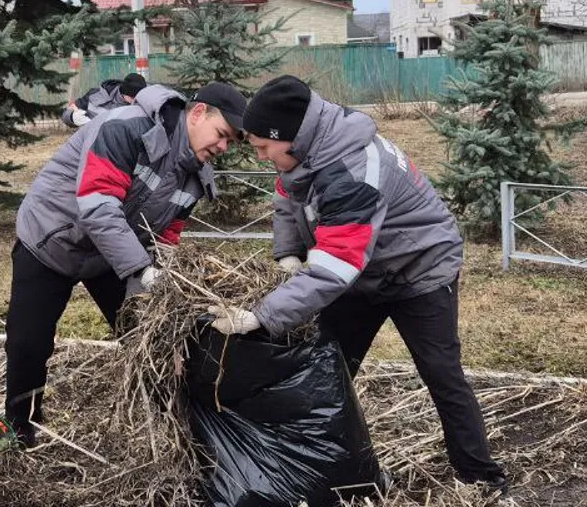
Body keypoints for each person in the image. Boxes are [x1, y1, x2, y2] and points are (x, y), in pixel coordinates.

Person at [207, 75, 509, 497]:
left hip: (418, 269)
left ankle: (479, 475)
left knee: (441, 373)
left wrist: (262, 315)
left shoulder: (352, 171)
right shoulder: (305, 151)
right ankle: (318, 467)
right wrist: (288, 253)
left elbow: (336, 266)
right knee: (327, 367)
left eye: (263, 147)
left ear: (290, 137)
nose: (260, 156)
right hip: (362, 273)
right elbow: (286, 197)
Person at [8, 82, 247, 447]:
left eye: (230, 142)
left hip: (112, 254)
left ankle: (176, 425)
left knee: (149, 333)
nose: (223, 147)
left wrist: (159, 278)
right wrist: (141, 269)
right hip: (52, 237)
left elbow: (166, 235)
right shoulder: (124, 128)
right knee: (29, 344)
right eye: (222, 134)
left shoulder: (196, 176)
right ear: (198, 114)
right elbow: (98, 207)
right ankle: (20, 429)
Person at [61, 72, 147, 127]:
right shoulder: (95, 95)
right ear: (124, 92)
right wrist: (73, 117)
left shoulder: (144, 104)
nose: (135, 100)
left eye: (139, 96)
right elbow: (67, 113)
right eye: (133, 97)